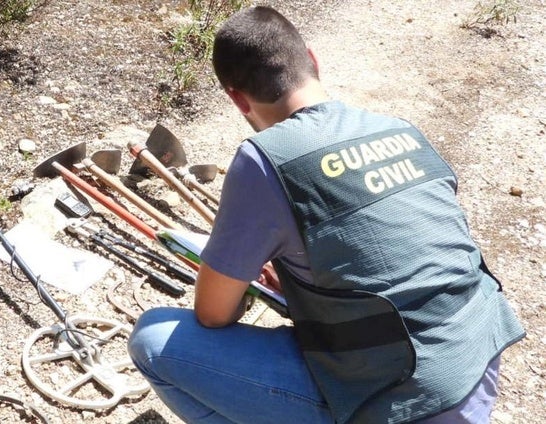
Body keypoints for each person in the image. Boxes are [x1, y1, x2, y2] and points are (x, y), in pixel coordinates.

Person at [127, 5, 525, 424]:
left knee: (152, 339)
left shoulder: (266, 160)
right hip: (478, 367)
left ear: (237, 98)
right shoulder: (399, 129)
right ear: (313, 61)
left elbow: (212, 313)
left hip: (406, 402)